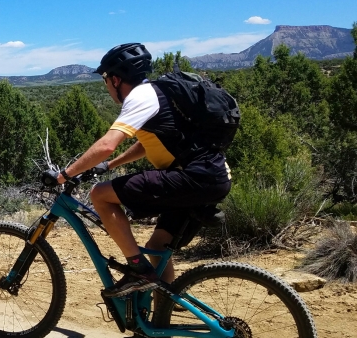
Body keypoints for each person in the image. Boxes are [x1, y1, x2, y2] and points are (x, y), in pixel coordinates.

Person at [53, 43, 232, 298]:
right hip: (213, 176)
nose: (106, 87)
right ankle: (159, 324)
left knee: (100, 195)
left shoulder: (139, 96)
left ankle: (137, 269)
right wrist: (110, 165)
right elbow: (145, 143)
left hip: (192, 176)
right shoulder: (157, 93)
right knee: (157, 246)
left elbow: (106, 145)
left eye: (105, 80)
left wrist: (64, 175)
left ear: (115, 79)